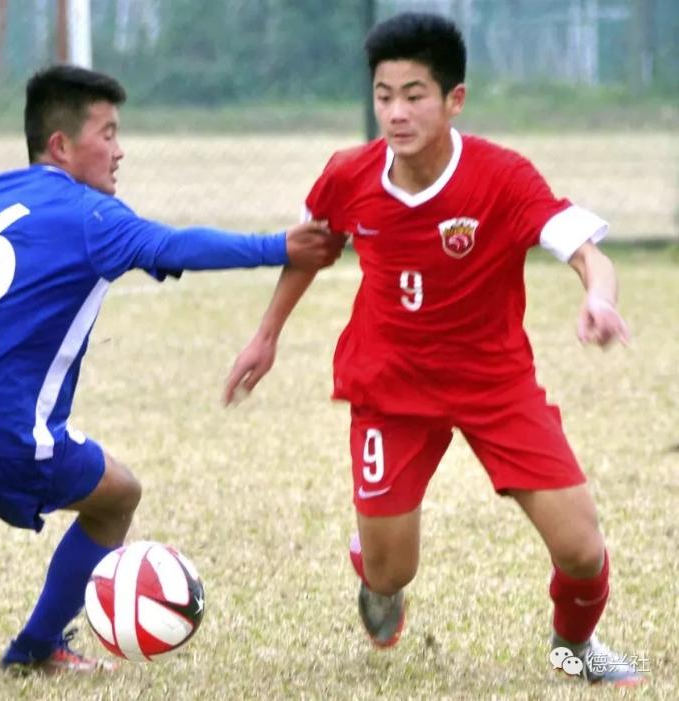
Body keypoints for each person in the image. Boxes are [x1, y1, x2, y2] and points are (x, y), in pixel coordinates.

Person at [0, 64, 343, 675]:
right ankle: (37, 649)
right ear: (61, 145)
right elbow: (176, 246)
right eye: (106, 133)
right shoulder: (93, 218)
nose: (119, 149)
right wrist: (277, 247)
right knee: (117, 498)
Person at [224, 12, 642, 687]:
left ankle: (575, 646)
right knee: (394, 571)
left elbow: (587, 255)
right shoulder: (348, 174)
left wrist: (600, 297)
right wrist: (266, 333)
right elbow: (312, 250)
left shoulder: (502, 178)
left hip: (495, 384)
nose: (395, 112)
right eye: (383, 95)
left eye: (414, 94)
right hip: (389, 386)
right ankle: (374, 565)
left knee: (582, 549)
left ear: (454, 100)